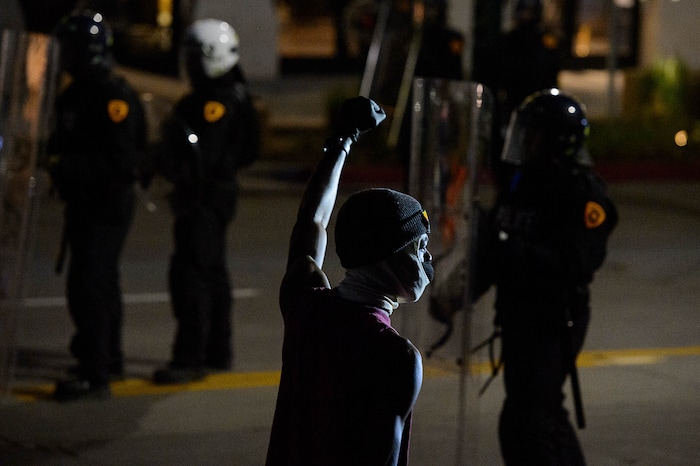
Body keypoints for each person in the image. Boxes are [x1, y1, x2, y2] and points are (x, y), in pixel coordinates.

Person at [266, 96, 433, 466]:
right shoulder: (396, 356)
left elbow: (312, 222)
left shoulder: (303, 303)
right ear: (387, 254)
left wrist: (343, 139)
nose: (427, 258)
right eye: (419, 247)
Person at [479, 89, 618, 465]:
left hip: (553, 318)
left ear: (558, 140)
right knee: (529, 418)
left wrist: (512, 251)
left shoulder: (582, 194)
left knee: (533, 419)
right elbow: (495, 244)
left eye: (533, 132)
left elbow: (577, 262)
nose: (524, 140)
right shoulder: (520, 182)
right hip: (516, 315)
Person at [151, 19, 259, 384]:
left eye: (196, 59)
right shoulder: (232, 94)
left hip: (205, 195)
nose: (191, 66)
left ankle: (190, 357)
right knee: (211, 272)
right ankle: (218, 350)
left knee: (192, 275)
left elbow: (201, 157)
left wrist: (165, 163)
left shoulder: (215, 102)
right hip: (216, 193)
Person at [48, 10, 147, 401]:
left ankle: (96, 373)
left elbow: (120, 162)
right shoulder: (76, 93)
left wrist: (64, 164)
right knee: (97, 284)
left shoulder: (112, 97)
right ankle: (107, 358)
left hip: (106, 205)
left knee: (90, 285)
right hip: (85, 204)